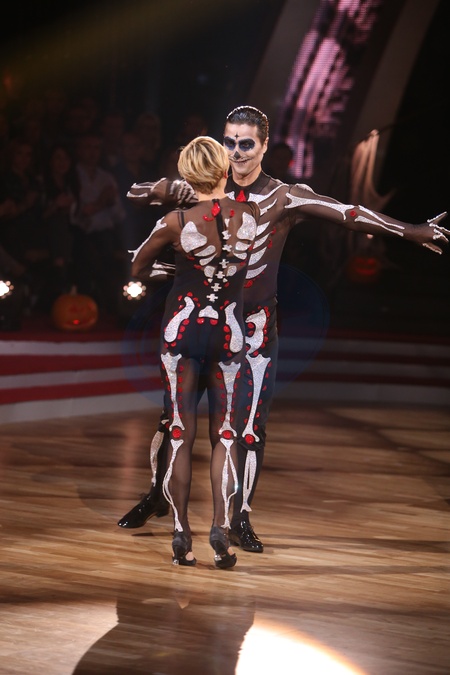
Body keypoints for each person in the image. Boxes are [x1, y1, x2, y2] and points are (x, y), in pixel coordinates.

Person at [119, 105, 449, 553]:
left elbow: (348, 213)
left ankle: (239, 518)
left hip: (252, 330)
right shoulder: (200, 188)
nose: (236, 152)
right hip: (201, 325)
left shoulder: (283, 197)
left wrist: (411, 231)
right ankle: (159, 497)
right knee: (173, 420)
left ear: (264, 147)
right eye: (230, 142)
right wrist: (165, 225)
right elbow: (156, 219)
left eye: (246, 143)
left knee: (247, 428)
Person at [129, 135, 259, 568]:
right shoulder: (250, 214)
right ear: (225, 169)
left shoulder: (175, 221)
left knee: (180, 434)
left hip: (182, 329)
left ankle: (180, 533)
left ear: (186, 175)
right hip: (228, 331)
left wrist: (176, 269)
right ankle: (220, 527)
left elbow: (137, 267)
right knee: (226, 434)